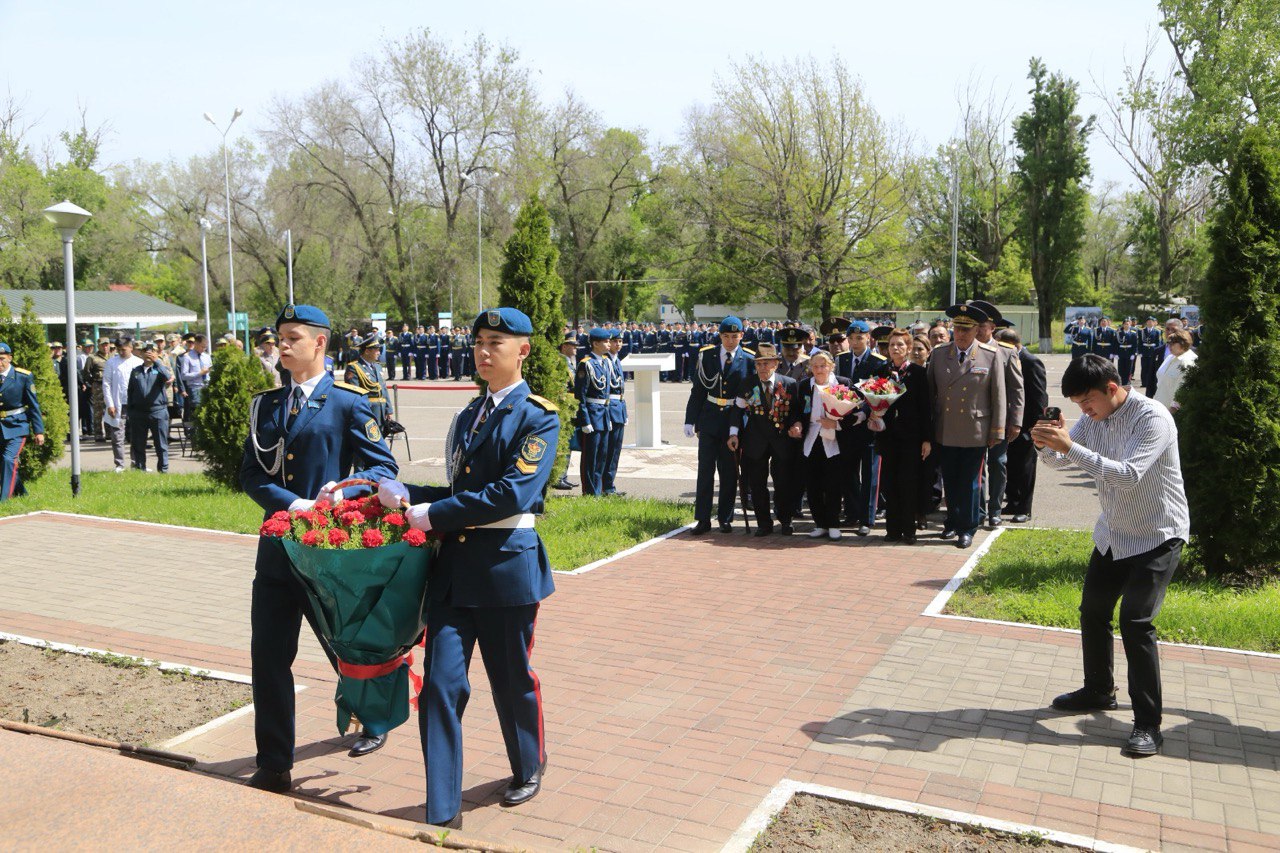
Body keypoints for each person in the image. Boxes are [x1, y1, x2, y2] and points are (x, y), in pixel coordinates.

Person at [377, 307, 558, 830]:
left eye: (495, 342)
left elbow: (511, 494)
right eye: (479, 341)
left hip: (505, 570)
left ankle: (528, 764)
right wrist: (405, 493)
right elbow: (461, 493)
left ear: (522, 350)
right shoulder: (467, 416)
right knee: (440, 686)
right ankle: (442, 808)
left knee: (511, 681)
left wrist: (431, 513)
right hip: (455, 573)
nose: (483, 350)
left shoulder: (537, 415)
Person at [239, 304, 399, 794]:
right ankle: (274, 763)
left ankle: (375, 716)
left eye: (292, 338)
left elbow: (382, 469)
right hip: (277, 549)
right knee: (268, 655)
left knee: (341, 646)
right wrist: (296, 502)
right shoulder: (265, 405)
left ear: (320, 344)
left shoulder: (349, 401)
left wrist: (341, 495)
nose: (281, 346)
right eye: (278, 339)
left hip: (325, 550)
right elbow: (250, 475)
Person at [1033, 354, 1189, 758]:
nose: (1083, 412)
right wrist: (1047, 445)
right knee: (1093, 610)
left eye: (1087, 402)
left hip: (1158, 534)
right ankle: (1099, 691)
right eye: (1078, 406)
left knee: (1135, 623)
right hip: (1115, 534)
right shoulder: (1093, 419)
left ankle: (1148, 725)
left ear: (1113, 389)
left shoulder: (1152, 418)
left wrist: (1070, 447)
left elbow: (1126, 474)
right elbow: (1064, 456)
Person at [926, 303, 1006, 549]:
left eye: (966, 329)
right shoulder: (940, 354)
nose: (960, 334)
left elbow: (999, 395)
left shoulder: (990, 355)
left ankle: (967, 527)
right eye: (957, 328)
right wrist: (929, 430)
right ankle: (951, 522)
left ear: (976, 330)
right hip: (946, 427)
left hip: (975, 429)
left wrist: (997, 430)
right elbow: (931, 394)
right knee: (950, 479)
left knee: (971, 482)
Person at [684, 316, 755, 534]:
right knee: (705, 471)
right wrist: (690, 419)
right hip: (709, 417)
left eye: (735, 336)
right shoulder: (707, 355)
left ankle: (725, 518)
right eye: (726, 336)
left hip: (733, 421)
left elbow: (750, 394)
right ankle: (703, 519)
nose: (731, 341)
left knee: (729, 472)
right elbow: (698, 390)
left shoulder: (749, 359)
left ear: (742, 336)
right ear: (720, 336)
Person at [867, 329, 931, 544]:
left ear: (908, 348)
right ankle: (892, 530)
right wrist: (874, 412)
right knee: (889, 483)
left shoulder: (918, 373)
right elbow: (871, 398)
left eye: (900, 345)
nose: (895, 348)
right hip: (887, 436)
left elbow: (926, 409)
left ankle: (909, 529)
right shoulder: (881, 370)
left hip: (911, 438)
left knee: (908, 483)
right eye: (892, 344)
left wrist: (926, 439)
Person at [729, 343, 800, 536]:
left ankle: (785, 520)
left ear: (776, 364)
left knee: (783, 483)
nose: (762, 368)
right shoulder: (747, 383)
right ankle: (764, 523)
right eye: (759, 364)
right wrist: (733, 433)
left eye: (766, 363)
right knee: (757, 485)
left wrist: (796, 425)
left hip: (781, 441)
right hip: (755, 440)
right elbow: (738, 410)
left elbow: (795, 412)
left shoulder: (789, 384)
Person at [968, 301, 1024, 530]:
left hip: (1000, 420)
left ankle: (995, 511)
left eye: (982, 325)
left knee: (998, 464)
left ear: (992, 327)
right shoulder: (966, 350)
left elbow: (1016, 388)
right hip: (974, 421)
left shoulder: (1006, 351)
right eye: (975, 325)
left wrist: (1016, 422)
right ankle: (979, 510)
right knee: (976, 466)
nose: (978, 330)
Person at [794, 351, 855, 539]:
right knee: (812, 485)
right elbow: (797, 411)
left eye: (823, 366)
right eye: (815, 366)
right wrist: (796, 424)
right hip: (811, 440)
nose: (819, 370)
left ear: (831, 366)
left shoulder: (843, 384)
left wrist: (836, 424)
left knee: (833, 484)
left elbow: (854, 414)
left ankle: (834, 523)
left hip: (834, 440)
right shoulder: (804, 385)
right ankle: (820, 523)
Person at [835, 320, 885, 536]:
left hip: (868, 424)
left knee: (870, 474)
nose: (855, 342)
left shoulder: (878, 362)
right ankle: (853, 512)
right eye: (852, 338)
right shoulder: (841, 359)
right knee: (847, 472)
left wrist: (864, 411)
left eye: (860, 338)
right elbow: (837, 388)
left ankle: (867, 518)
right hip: (846, 424)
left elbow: (879, 392)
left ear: (868, 338)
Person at [996, 327, 1048, 523]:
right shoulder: (1008, 359)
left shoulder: (1030, 362)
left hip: (1026, 426)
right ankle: (1013, 502)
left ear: (1011, 345)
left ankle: (1024, 509)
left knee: (1025, 468)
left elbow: (1039, 398)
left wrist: (1034, 428)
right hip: (1009, 423)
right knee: (1011, 465)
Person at [0, 342, 45, 501]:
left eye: (2, 359)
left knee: (8, 459)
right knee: (4, 463)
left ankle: (4, 500)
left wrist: (38, 431)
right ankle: (21, 493)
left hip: (17, 426)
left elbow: (33, 405)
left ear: (10, 358)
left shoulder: (22, 376)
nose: (0, 363)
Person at [575, 328, 613, 496]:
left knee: (602, 455)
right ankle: (589, 492)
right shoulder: (586, 363)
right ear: (595, 344)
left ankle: (597, 490)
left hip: (603, 413)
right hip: (592, 414)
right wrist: (585, 420)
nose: (608, 344)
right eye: (605, 341)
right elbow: (580, 395)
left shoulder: (606, 362)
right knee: (591, 456)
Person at [125, 342, 173, 473]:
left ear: (157, 354)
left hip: (157, 412)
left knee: (161, 444)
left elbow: (168, 377)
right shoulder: (136, 371)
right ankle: (141, 468)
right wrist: (130, 412)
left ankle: (163, 470)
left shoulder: (159, 369)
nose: (148, 353)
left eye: (152, 351)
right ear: (140, 353)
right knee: (138, 444)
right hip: (139, 413)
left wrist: (156, 361)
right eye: (145, 351)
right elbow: (130, 391)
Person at [103, 337, 142, 474]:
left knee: (136, 434)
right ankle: (119, 464)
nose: (121, 352)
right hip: (118, 403)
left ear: (130, 347)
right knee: (117, 435)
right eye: (118, 349)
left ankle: (136, 462)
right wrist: (110, 404)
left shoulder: (139, 362)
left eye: (123, 349)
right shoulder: (111, 362)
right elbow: (106, 384)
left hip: (135, 404)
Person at [345, 333, 393, 427]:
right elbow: (355, 394)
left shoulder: (378, 366)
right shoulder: (354, 367)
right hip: (367, 411)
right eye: (376, 350)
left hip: (381, 412)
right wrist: (361, 413)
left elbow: (383, 389)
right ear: (367, 351)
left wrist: (388, 409)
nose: (379, 353)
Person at [603, 328, 627, 495]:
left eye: (620, 341)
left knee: (615, 451)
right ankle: (605, 486)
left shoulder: (617, 360)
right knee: (607, 450)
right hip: (610, 409)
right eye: (614, 341)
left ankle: (610, 485)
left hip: (619, 408)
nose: (618, 344)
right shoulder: (605, 361)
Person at [1152, 328, 1197, 413]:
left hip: (1174, 412)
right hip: (1160, 406)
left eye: (1172, 343)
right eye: (1168, 343)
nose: (1169, 346)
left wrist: (1171, 413)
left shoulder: (1188, 362)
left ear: (1183, 343)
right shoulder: (1170, 357)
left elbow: (1183, 391)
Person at [179, 334, 212, 435]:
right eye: (202, 346)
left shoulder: (207, 357)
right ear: (196, 344)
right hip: (195, 388)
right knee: (196, 414)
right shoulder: (187, 357)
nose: (204, 349)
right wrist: (199, 373)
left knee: (207, 414)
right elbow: (184, 375)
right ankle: (195, 438)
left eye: (205, 347)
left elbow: (210, 372)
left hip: (207, 387)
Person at [1139, 317, 1163, 397]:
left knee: (1152, 368)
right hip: (1144, 351)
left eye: (1151, 322)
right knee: (1144, 367)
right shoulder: (1142, 331)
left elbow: (1158, 342)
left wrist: (1157, 352)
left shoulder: (1157, 331)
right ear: (1146, 323)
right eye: (1148, 321)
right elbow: (1139, 342)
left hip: (1153, 351)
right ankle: (1144, 383)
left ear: (1154, 323)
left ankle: (1151, 382)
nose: (1149, 323)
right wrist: (1140, 352)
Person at [1116, 319, 1139, 386]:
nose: (1126, 325)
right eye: (1125, 324)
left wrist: (1133, 353)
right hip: (1121, 352)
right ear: (1123, 325)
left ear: (1130, 325)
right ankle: (1121, 381)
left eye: (1128, 324)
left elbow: (1135, 345)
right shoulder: (1119, 333)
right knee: (1121, 368)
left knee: (1129, 368)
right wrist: (1116, 353)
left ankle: (1127, 381)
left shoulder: (1133, 334)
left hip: (1129, 353)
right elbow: (1116, 344)